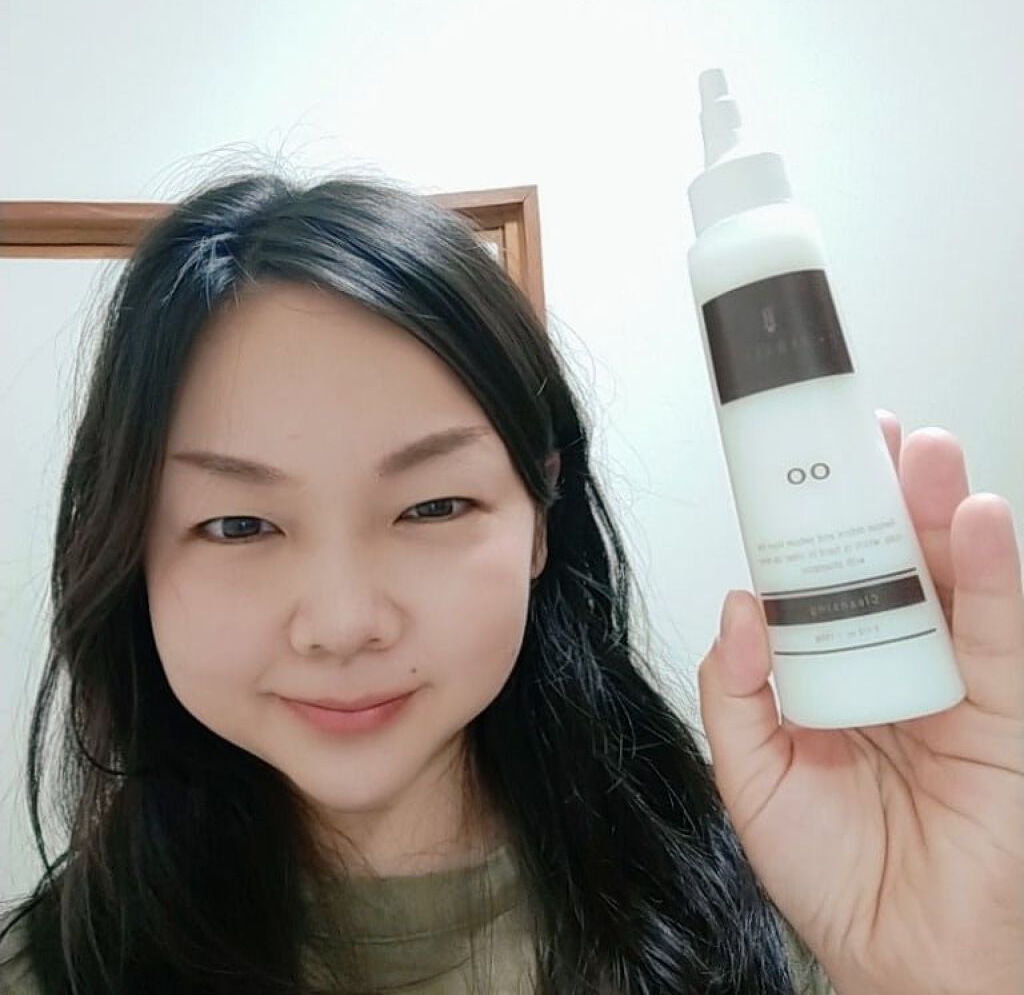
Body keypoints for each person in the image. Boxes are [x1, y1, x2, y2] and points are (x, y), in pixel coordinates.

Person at [0, 174, 1020, 994]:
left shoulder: (796, 901)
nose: (344, 623)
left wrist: (949, 971)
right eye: (238, 524)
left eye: (433, 507)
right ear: (130, 545)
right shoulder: (47, 969)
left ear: (540, 518)